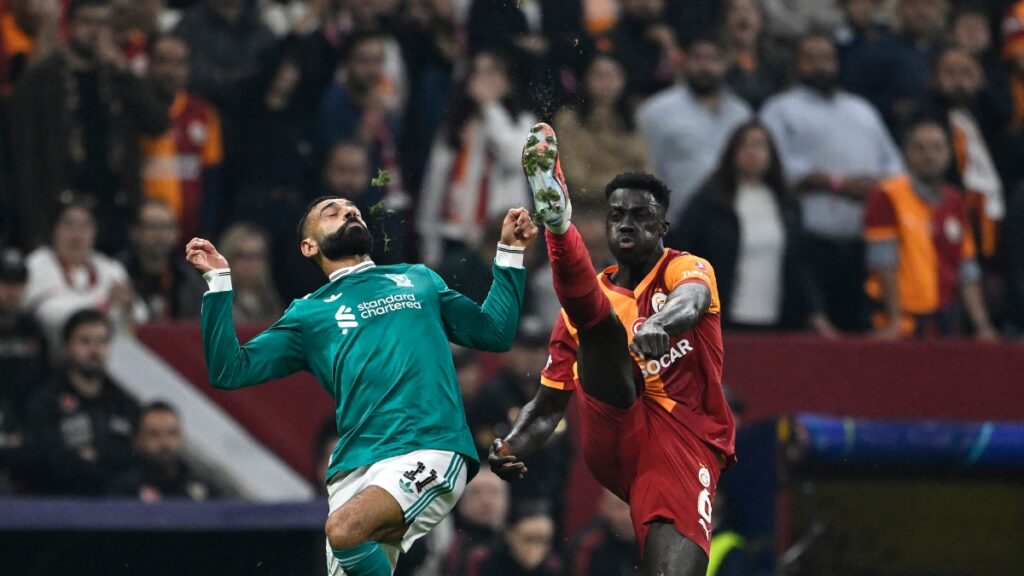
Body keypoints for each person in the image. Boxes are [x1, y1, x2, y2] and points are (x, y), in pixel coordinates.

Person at [185, 196, 538, 575]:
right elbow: (230, 370)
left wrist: (509, 252)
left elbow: (494, 332)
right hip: (352, 469)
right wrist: (218, 285)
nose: (349, 212)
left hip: (429, 446)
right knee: (347, 534)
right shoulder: (308, 313)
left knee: (345, 530)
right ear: (309, 246)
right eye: (332, 213)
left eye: (352, 210)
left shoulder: (418, 279)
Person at [492, 124, 735, 576]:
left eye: (641, 216)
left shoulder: (686, 268)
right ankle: (558, 225)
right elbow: (547, 408)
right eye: (617, 215)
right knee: (596, 321)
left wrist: (660, 324)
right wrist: (511, 446)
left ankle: (560, 227)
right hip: (614, 428)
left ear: (662, 227)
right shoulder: (591, 303)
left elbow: (692, 300)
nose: (627, 223)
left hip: (681, 440)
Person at [760, 33, 903, 332]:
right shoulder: (781, 108)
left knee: (856, 337)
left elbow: (894, 166)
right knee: (807, 341)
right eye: (811, 58)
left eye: (826, 58)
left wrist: (876, 188)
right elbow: (774, 164)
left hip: (861, 249)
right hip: (806, 247)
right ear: (797, 64)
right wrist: (836, 183)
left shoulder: (862, 110)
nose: (820, 65)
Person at [8, 0, 169, 252]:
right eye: (87, 22)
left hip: (116, 209)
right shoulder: (43, 78)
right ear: (69, 26)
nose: (95, 31)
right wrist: (34, 228)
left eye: (103, 24)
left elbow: (157, 123)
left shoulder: (118, 76)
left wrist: (123, 72)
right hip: (60, 210)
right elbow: (24, 158)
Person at [671, 121, 834, 334]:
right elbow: (683, 251)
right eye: (744, 145)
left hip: (778, 321)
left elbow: (799, 263)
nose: (752, 152)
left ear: (771, 154)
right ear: (732, 152)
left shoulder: (786, 202)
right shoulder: (710, 199)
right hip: (720, 320)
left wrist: (815, 312)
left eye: (759, 144)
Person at [863, 119, 997, 339]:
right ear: (906, 154)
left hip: (944, 321)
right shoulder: (887, 195)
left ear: (949, 154)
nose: (929, 155)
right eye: (920, 148)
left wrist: (983, 327)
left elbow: (967, 268)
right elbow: (883, 262)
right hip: (901, 322)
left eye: (937, 147)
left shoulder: (955, 201)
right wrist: (895, 321)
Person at [417, 49, 536, 266]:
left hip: (500, 234)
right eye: (477, 72)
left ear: (508, 82)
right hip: (455, 233)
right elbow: (435, 183)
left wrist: (489, 107)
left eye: (491, 72)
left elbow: (513, 159)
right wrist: (429, 243)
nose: (483, 80)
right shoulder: (455, 125)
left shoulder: (523, 122)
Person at [25, 309, 139, 495]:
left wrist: (94, 456)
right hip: (59, 500)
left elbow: (133, 456)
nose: (94, 350)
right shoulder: (46, 401)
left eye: (102, 341)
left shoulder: (124, 402)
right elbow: (47, 458)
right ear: (67, 346)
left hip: (115, 500)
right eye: (85, 341)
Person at [637, 35, 752, 215]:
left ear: (725, 64)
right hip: (675, 219)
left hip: (733, 216)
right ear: (685, 62)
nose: (705, 67)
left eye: (713, 58)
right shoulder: (656, 111)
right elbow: (645, 169)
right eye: (697, 58)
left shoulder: (741, 114)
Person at [140, 35, 224, 242]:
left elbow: (212, 179)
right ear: (148, 64)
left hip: (191, 235)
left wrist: (208, 229)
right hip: (143, 232)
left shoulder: (203, 113)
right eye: (163, 61)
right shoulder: (133, 111)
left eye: (179, 63)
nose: (170, 70)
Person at [22, 201, 135, 345]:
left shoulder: (111, 268)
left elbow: (140, 315)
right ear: (54, 230)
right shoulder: (36, 264)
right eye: (68, 225)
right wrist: (105, 304)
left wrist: (128, 305)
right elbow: (50, 314)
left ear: (95, 232)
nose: (76, 235)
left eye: (84, 226)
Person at [553, 53, 653, 215]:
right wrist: (630, 181)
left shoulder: (634, 118)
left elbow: (648, 171)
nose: (606, 83)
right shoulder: (568, 120)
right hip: (585, 212)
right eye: (599, 75)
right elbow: (578, 181)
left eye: (613, 75)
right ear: (585, 79)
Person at [0, 248, 48, 494]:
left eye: (18, 283)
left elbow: (43, 375)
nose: (12, 290)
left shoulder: (33, 327)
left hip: (27, 416)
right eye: (5, 282)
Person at [108, 401, 224, 501]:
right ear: (139, 440)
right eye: (155, 434)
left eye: (172, 433)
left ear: (181, 437)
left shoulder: (203, 489)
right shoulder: (123, 491)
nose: (165, 443)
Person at [120, 199, 206, 322]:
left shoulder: (190, 278)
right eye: (152, 226)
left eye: (167, 227)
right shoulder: (118, 272)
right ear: (135, 232)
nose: (160, 234)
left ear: (177, 233)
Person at [720, 0, 789, 110]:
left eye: (749, 9)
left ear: (761, 19)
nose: (743, 15)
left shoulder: (777, 61)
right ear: (726, 19)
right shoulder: (717, 61)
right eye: (735, 10)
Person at [463, 500, 562, 576]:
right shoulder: (483, 561)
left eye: (544, 540)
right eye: (529, 539)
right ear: (510, 535)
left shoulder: (552, 567)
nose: (536, 548)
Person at [443, 469, 511, 576]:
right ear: (462, 502)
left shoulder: (518, 543)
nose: (486, 501)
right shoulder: (448, 547)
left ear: (506, 500)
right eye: (476, 493)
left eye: (493, 492)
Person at [215, 223, 284, 324]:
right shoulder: (216, 299)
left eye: (257, 256)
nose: (252, 264)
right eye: (243, 256)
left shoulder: (271, 299)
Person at [566, 490, 641, 576]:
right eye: (619, 507)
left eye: (634, 506)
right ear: (604, 508)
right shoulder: (589, 545)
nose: (627, 515)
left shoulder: (650, 540)